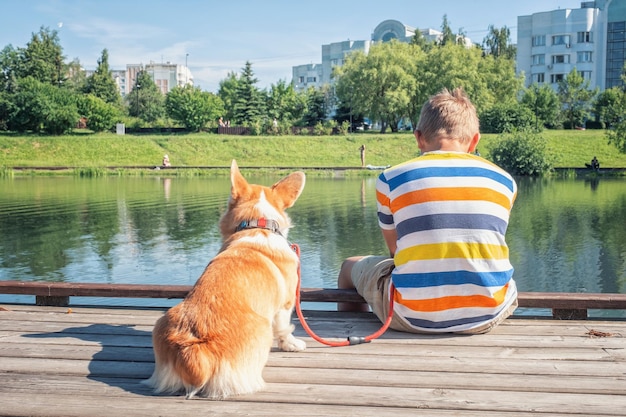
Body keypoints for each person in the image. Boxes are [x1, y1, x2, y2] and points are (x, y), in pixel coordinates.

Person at [337, 87, 518, 334]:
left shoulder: (391, 179)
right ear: (475, 140)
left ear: (419, 137)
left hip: (411, 316)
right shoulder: (505, 181)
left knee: (349, 266)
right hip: (487, 315)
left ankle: (346, 331)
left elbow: (395, 250)